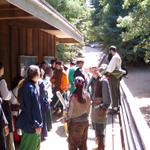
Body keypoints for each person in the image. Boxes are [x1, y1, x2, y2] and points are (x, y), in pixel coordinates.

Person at [16, 65, 43, 150]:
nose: (40, 72)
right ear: (36, 74)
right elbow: (33, 108)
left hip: (27, 122)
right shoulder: (30, 88)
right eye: (39, 71)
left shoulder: (27, 85)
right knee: (29, 147)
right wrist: (37, 125)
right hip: (31, 125)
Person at [88, 65, 111, 150]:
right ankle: (99, 145)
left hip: (100, 109)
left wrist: (100, 107)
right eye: (91, 70)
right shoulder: (94, 80)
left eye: (94, 70)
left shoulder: (103, 81)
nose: (92, 72)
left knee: (100, 129)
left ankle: (101, 147)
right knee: (96, 128)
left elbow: (107, 101)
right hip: (95, 108)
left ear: (97, 70)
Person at [67, 76, 90, 150]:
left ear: (75, 85)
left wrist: (67, 118)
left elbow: (70, 112)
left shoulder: (73, 96)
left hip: (75, 123)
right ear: (84, 84)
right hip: (85, 122)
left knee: (73, 145)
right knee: (83, 144)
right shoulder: (87, 95)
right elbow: (89, 109)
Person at [106, 45, 125, 113]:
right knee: (116, 91)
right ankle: (117, 106)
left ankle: (115, 108)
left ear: (111, 51)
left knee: (113, 91)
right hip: (117, 76)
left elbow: (110, 69)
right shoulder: (118, 56)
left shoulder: (114, 57)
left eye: (110, 51)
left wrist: (106, 73)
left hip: (113, 76)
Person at [0, 62, 15, 150]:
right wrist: (10, 93)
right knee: (6, 130)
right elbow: (5, 96)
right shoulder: (1, 81)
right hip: (3, 107)